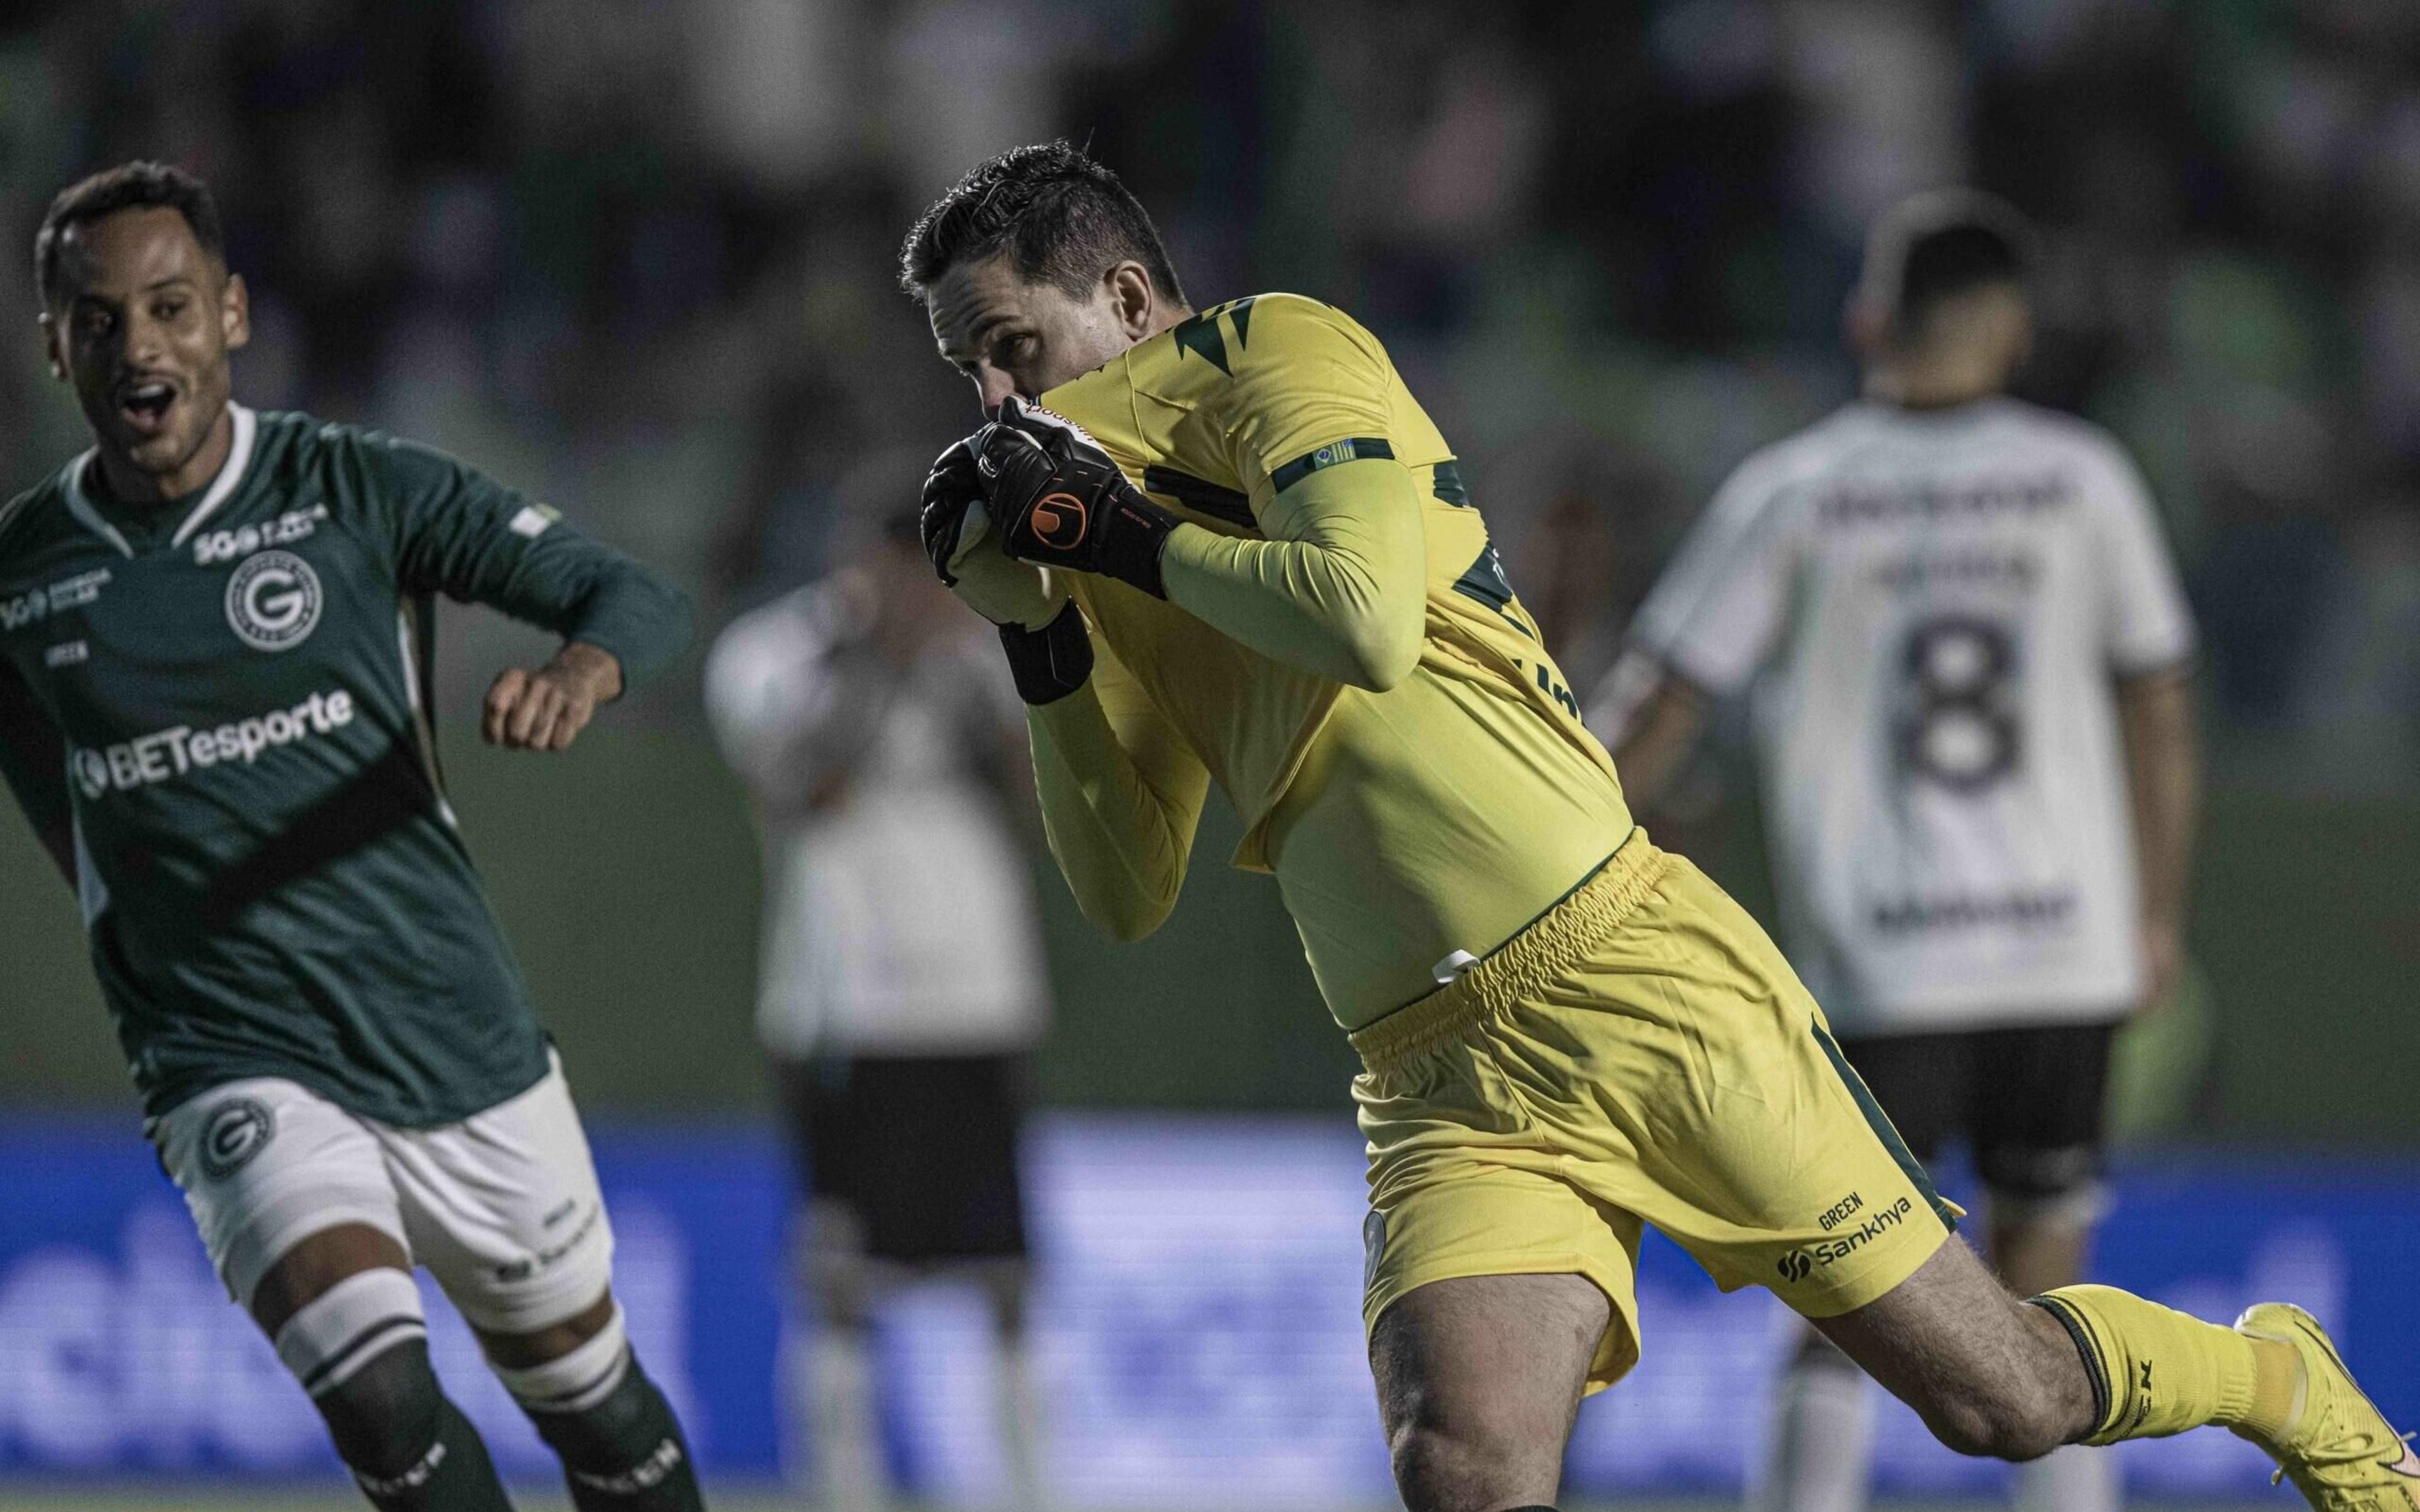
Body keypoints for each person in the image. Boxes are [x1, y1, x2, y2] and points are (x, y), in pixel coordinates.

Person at [899, 141, 2412, 1512]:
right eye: (970, 372)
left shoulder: (1273, 351)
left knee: (2002, 1402)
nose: (997, 406)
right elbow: (1121, 892)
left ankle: (2274, 1380)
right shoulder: (1101, 550)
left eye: (1014, 350)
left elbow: (1360, 619)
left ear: (1126, 294)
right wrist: (1041, 641)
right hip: (1431, 1071)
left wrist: (1113, 533)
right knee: (1464, 1466)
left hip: (1631, 976)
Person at [0, 162, 704, 1512]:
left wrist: (578, 673)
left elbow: (637, 597)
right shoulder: (25, 578)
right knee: (380, 1401)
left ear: (234, 314)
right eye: (100, 320)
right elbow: (60, 788)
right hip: (227, 1050)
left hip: (448, 1028)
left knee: (593, 1407)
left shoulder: (353, 490)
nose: (140, 346)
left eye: (171, 306)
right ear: (55, 344)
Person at [1588, 190, 2198, 1512]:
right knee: (2059, 1307)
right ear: (2014, 329)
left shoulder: (1797, 491)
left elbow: (1657, 705)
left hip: (1882, 967)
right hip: (2064, 952)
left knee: (1844, 1312)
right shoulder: (2082, 479)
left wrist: (1552, 862)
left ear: (1870, 319)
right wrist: (2155, 913)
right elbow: (2160, 705)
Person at [703, 474, 1049, 1512]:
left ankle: (1032, 1488)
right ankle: (845, 1492)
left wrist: (959, 664)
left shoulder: (990, 649)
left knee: (1006, 1277)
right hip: (842, 1000)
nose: (910, 580)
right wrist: (884, 655)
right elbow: (792, 782)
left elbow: (1038, 799)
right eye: (893, 553)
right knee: (841, 1276)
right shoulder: (774, 653)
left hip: (980, 995)